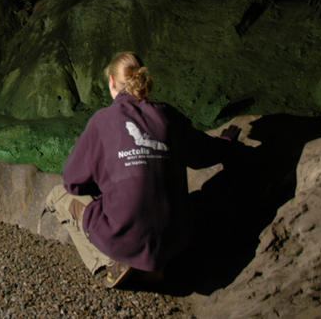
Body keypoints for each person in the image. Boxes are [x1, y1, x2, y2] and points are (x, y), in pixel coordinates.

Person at [45, 52, 241, 288]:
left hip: (127, 234)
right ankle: (158, 262)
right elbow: (204, 154)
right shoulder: (168, 115)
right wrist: (227, 143)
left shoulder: (102, 120)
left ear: (112, 82)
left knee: (60, 196)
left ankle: (112, 260)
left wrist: (108, 180)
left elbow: (72, 181)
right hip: (177, 238)